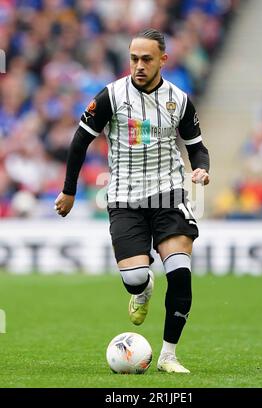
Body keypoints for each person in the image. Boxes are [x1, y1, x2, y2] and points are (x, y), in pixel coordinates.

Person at [55, 28, 210, 373]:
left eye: (146, 59)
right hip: (124, 198)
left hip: (169, 195)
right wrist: (69, 190)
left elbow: (196, 146)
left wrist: (200, 169)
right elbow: (80, 141)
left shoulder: (179, 100)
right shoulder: (111, 96)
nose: (139, 65)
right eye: (134, 58)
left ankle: (169, 356)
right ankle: (141, 290)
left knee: (181, 274)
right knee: (136, 276)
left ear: (163, 60)